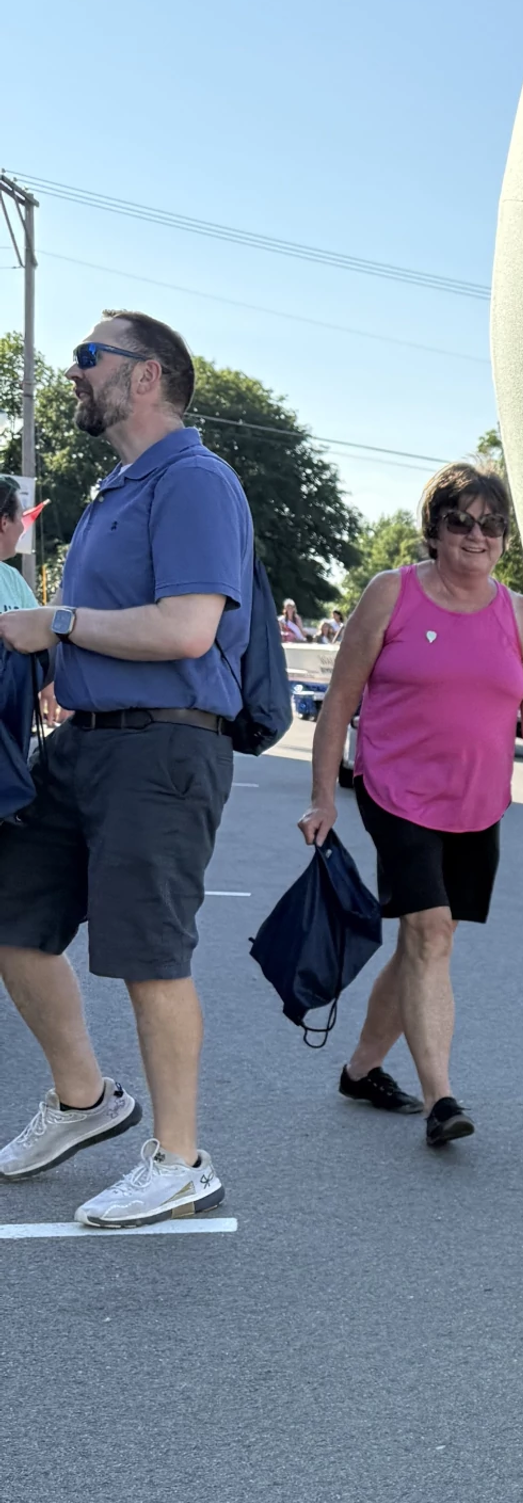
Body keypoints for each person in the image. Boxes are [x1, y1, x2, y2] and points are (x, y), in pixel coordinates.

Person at [0, 315, 252, 1227]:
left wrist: (57, 621)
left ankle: (181, 1160)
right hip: (88, 741)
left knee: (150, 957)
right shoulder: (118, 486)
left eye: (87, 358)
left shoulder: (192, 479)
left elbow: (187, 628)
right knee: (14, 916)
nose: (73, 372)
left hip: (162, 745)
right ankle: (83, 1100)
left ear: (146, 377)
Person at [300, 461, 523, 1144]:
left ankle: (362, 1068)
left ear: (505, 539)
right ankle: (441, 1100)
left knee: (430, 936)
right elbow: (339, 701)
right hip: (394, 789)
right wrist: (323, 797)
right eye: (460, 520)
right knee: (429, 930)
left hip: (476, 803)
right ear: (433, 528)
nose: (476, 534)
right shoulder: (389, 594)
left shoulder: (519, 616)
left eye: (491, 524)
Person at [0, 476, 42, 614]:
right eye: (20, 517)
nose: (23, 527)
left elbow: (37, 629)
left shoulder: (11, 578)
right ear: (4, 522)